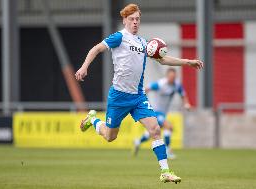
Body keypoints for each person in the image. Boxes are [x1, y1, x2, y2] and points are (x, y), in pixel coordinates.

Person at [75, 4, 203, 183]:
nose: (135, 22)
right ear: (125, 20)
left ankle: (165, 171)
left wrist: (187, 62)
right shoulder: (119, 37)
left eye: (137, 19)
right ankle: (93, 120)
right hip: (119, 97)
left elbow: (163, 59)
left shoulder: (144, 43)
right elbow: (96, 49)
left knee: (155, 129)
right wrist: (84, 67)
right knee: (110, 136)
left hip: (138, 97)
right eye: (132, 19)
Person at [133, 68, 191, 159]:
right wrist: (141, 101)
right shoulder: (160, 84)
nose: (172, 78)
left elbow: (183, 95)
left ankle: (138, 141)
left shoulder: (177, 85)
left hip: (163, 112)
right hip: (155, 111)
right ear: (167, 76)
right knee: (169, 126)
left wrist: (186, 104)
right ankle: (167, 150)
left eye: (174, 76)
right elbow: (146, 89)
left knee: (153, 132)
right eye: (171, 76)